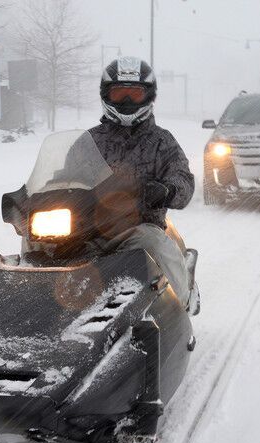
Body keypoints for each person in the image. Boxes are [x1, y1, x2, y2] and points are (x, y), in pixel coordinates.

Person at [87, 56, 195, 305]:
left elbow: (183, 179)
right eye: (119, 94)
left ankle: (183, 301)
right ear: (106, 95)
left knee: (153, 239)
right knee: (36, 242)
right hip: (87, 227)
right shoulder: (90, 141)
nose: (126, 101)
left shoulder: (162, 142)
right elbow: (63, 175)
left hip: (137, 226)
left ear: (148, 96)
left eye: (133, 95)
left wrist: (167, 190)